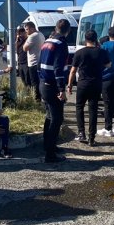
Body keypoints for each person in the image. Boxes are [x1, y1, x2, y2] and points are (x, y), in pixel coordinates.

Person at [67, 30, 111, 146]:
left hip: (82, 84)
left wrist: (69, 85)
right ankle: (92, 137)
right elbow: (108, 65)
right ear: (96, 39)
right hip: (96, 84)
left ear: (85, 39)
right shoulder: (102, 52)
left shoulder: (80, 53)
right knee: (93, 110)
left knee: (79, 107)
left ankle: (81, 132)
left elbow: (72, 71)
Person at [39, 19, 71, 163]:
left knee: (50, 117)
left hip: (43, 83)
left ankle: (48, 146)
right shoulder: (61, 43)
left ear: (56, 28)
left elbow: (39, 64)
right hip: (52, 85)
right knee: (57, 119)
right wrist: (61, 89)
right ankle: (50, 154)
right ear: (67, 31)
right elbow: (59, 68)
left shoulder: (48, 41)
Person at [23, 21, 45, 101]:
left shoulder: (32, 36)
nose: (26, 31)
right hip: (39, 61)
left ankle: (37, 99)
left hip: (33, 62)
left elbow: (25, 48)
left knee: (34, 82)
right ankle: (40, 98)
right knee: (39, 82)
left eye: (27, 29)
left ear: (32, 28)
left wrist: (26, 40)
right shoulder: (41, 34)